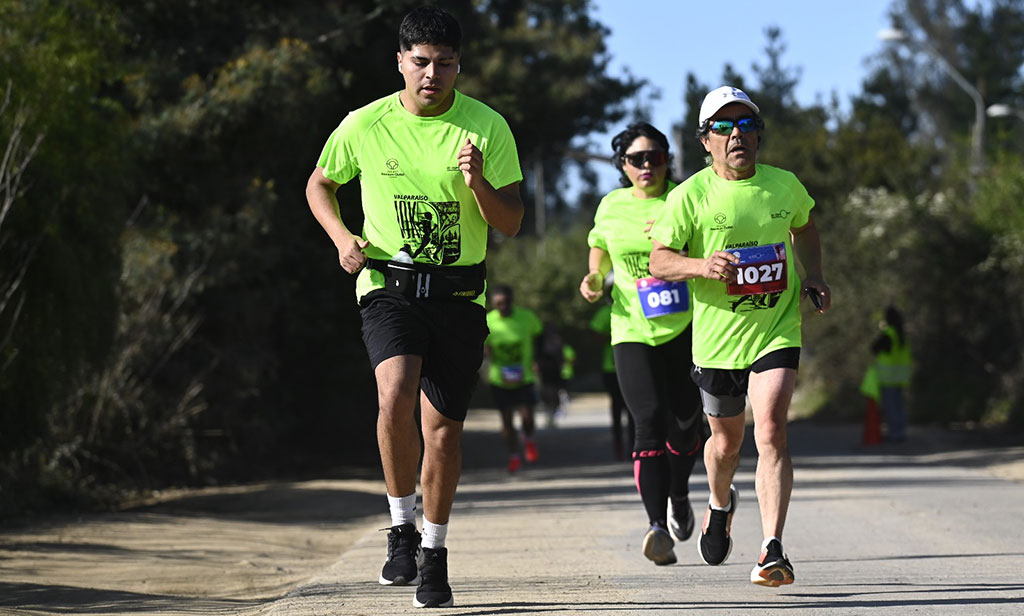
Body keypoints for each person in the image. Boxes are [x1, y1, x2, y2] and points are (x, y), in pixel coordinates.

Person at [304, 6, 523, 608]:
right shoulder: (366, 123)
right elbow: (319, 184)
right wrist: (345, 238)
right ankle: (399, 527)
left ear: (460, 66)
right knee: (395, 395)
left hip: (458, 294)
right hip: (388, 288)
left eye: (445, 64)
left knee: (443, 433)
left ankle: (434, 552)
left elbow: (511, 223)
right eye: (421, 62)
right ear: (401, 61)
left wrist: (479, 183)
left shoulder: (487, 128)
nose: (433, 75)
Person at [648, 86, 831, 587]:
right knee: (725, 446)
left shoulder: (783, 186)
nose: (737, 136)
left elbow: (806, 227)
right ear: (705, 140)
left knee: (771, 429)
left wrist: (812, 273)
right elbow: (658, 260)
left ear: (758, 136)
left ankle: (772, 549)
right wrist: (701, 265)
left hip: (776, 329)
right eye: (724, 128)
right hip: (717, 342)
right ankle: (719, 503)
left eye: (746, 126)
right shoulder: (690, 195)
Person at [580, 122, 704, 566]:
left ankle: (679, 492)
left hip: (688, 329)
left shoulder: (686, 197)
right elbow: (599, 247)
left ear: (668, 160)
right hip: (631, 328)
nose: (647, 165)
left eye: (655, 156)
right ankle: (657, 527)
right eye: (636, 159)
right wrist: (594, 277)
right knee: (648, 420)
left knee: (687, 424)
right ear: (623, 165)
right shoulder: (611, 206)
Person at [484, 285, 542, 472]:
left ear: (511, 300)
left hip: (524, 376)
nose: (503, 306)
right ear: (493, 304)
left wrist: (537, 360)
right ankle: (514, 456)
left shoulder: (526, 317)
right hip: (500, 379)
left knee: (527, 417)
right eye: (498, 304)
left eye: (506, 302)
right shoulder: (488, 321)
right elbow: (483, 347)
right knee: (507, 421)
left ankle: (528, 438)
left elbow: (539, 337)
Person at [589, 298, 634, 460]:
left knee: (633, 409)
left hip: (632, 366)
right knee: (617, 407)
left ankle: (634, 445)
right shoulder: (604, 312)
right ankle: (618, 445)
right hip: (611, 369)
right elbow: (594, 337)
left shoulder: (635, 304)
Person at [871, 306, 912, 442]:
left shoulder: (889, 334)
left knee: (891, 406)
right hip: (900, 376)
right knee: (899, 405)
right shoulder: (901, 335)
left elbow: (874, 348)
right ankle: (900, 431)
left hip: (888, 377)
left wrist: (882, 328)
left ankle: (895, 434)